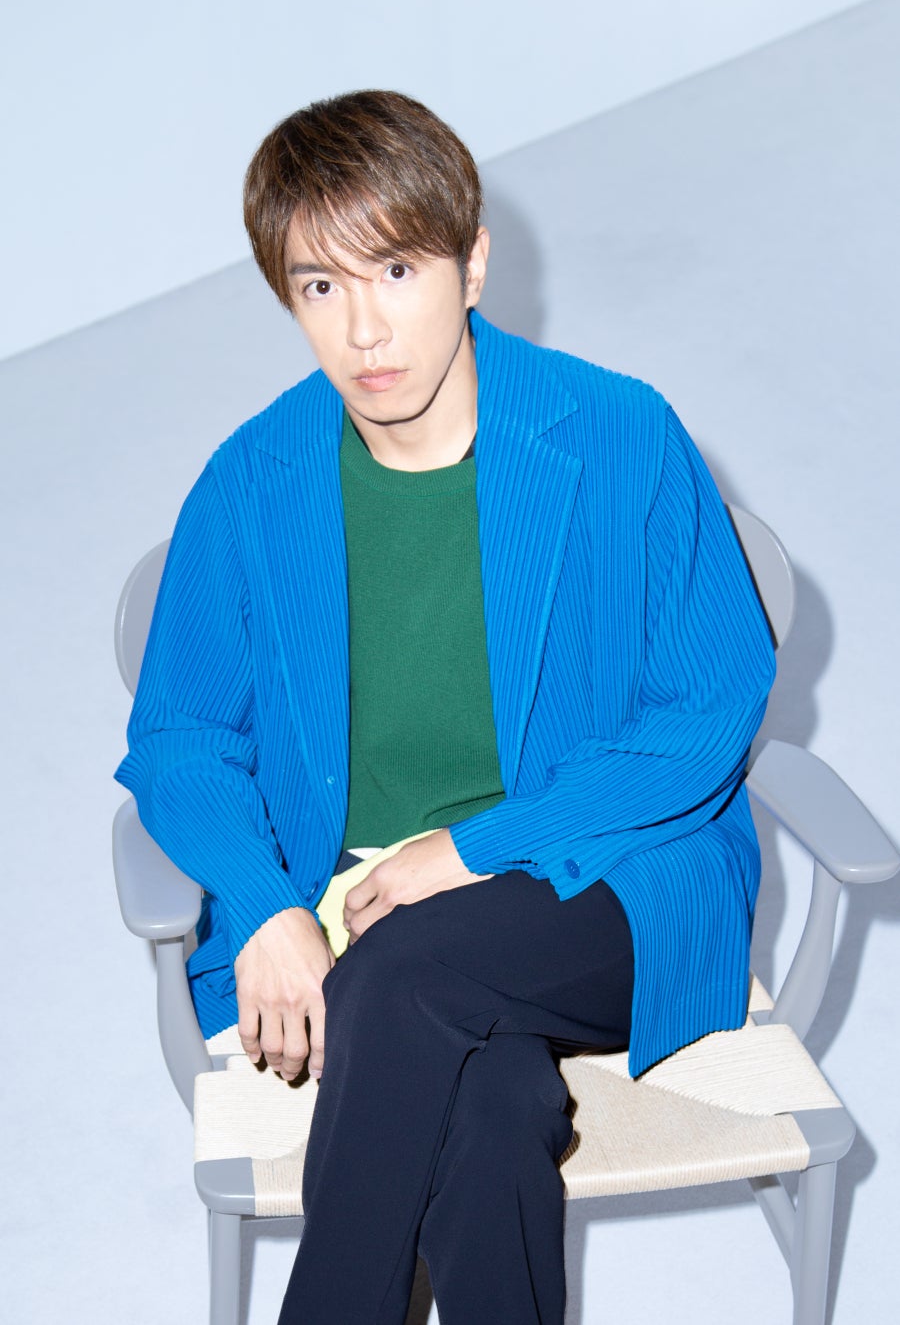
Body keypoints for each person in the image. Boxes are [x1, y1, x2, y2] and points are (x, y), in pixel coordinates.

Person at [116, 89, 776, 1324]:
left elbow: (708, 707)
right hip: (358, 905)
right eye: (321, 286)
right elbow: (182, 736)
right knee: (493, 1114)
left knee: (403, 980)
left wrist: (473, 849)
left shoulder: (618, 434)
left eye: (398, 271)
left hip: (612, 883)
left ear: (472, 266)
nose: (364, 329)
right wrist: (264, 906)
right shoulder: (253, 481)